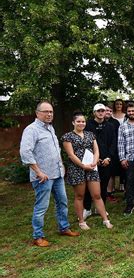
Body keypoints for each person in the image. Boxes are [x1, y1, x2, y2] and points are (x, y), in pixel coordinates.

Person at [20, 101, 79, 247]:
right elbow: (25, 152)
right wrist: (38, 172)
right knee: (41, 207)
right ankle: (38, 236)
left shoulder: (50, 128)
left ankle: (64, 228)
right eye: (46, 111)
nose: (49, 114)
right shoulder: (31, 130)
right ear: (37, 113)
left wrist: (61, 166)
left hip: (57, 174)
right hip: (43, 177)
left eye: (51, 112)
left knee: (62, 203)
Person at [62, 112, 113, 230]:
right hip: (77, 168)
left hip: (92, 167)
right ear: (73, 123)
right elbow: (71, 155)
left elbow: (96, 150)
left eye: (83, 121)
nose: (81, 123)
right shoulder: (67, 137)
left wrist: (95, 162)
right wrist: (83, 166)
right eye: (78, 121)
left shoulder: (90, 135)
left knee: (97, 194)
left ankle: (105, 219)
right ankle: (81, 221)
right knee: (80, 195)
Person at [83, 103, 117, 220]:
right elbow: (86, 143)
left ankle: (100, 208)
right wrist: (94, 159)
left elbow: (113, 143)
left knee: (103, 185)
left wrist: (109, 157)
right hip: (92, 161)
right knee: (88, 186)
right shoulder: (87, 126)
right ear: (94, 113)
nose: (101, 113)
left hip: (106, 161)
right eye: (98, 111)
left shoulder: (110, 126)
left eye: (103, 111)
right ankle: (87, 208)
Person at [105, 104, 123, 199]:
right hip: (100, 151)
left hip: (113, 150)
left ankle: (110, 192)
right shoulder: (98, 122)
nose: (108, 112)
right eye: (106, 110)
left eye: (110, 111)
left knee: (111, 172)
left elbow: (118, 137)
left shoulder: (115, 122)